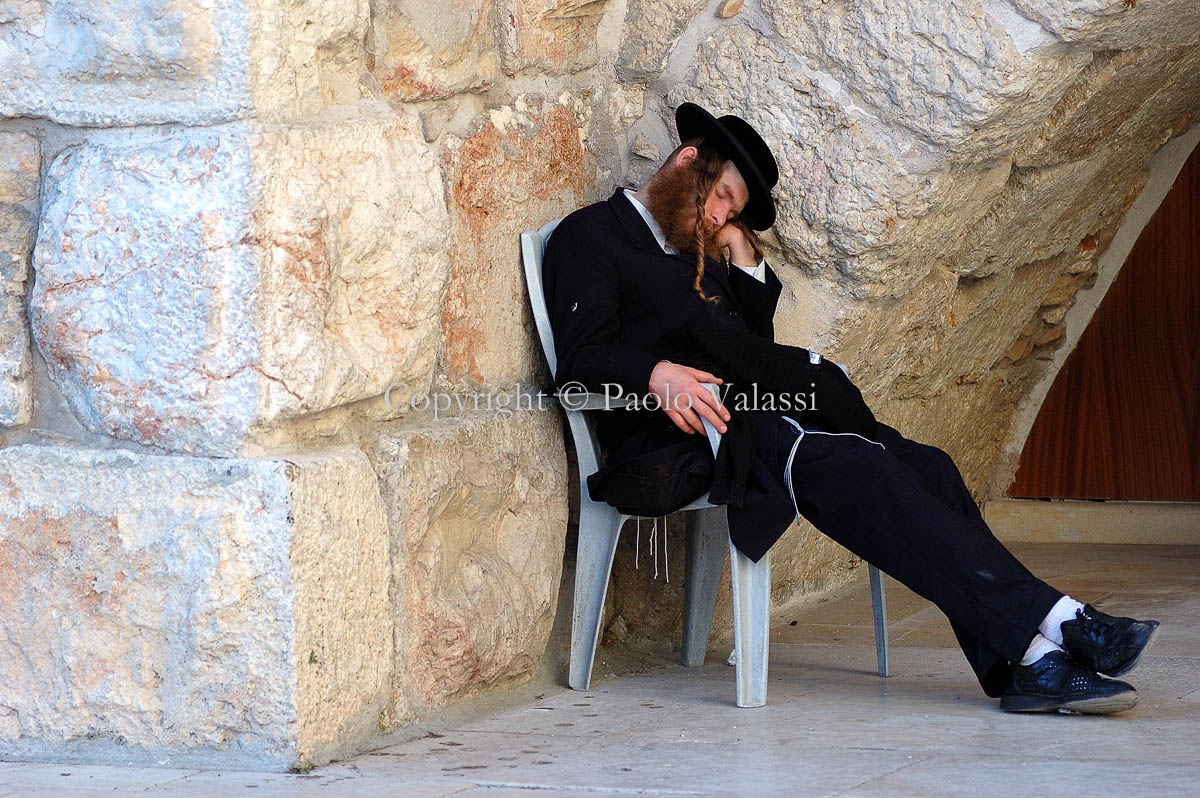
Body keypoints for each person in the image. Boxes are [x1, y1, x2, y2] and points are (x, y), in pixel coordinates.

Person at [540, 102, 1161, 714]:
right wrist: (653, 373)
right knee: (864, 469)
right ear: (688, 161)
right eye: (724, 196)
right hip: (677, 435)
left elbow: (753, 351)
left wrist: (742, 252)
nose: (724, 214)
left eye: (733, 209)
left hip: (757, 417)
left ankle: (1025, 662)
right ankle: (1057, 627)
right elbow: (578, 363)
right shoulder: (593, 236)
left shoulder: (694, 249)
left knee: (933, 466)